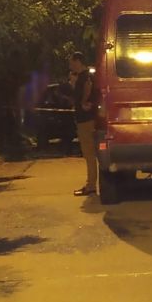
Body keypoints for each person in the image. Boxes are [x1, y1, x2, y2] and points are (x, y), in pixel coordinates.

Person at [69, 53, 98, 196]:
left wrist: (83, 102)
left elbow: (88, 87)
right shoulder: (84, 76)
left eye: (72, 62)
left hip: (85, 120)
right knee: (90, 154)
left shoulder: (84, 77)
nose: (70, 66)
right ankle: (91, 184)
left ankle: (91, 185)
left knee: (89, 154)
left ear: (78, 61)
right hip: (86, 119)